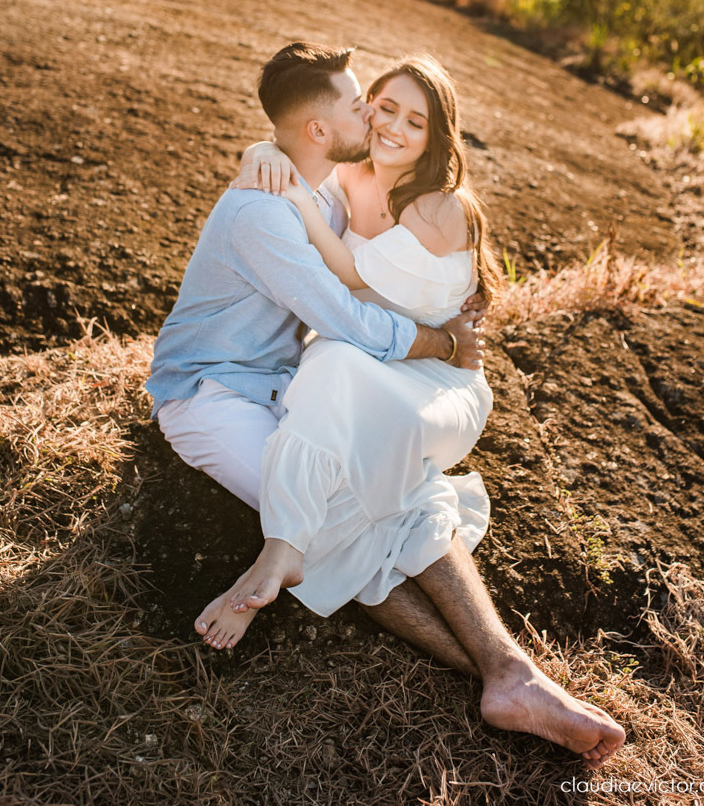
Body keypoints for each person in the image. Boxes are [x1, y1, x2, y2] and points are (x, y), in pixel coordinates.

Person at [147, 41, 625, 768]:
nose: (368, 112)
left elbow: (316, 193)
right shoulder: (267, 216)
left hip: (283, 385)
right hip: (211, 396)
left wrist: (260, 149)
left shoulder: (328, 190)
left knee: (385, 481)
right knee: (340, 512)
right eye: (356, 102)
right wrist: (437, 341)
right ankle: (502, 675)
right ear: (317, 128)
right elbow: (345, 319)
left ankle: (511, 674)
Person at [199, 53, 500, 631]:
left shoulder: (441, 206)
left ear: (437, 136)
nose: (394, 128)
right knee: (329, 371)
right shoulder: (352, 174)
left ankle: (284, 548)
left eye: (417, 122)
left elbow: (351, 273)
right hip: (374, 360)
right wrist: (262, 153)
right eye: (385, 109)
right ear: (366, 111)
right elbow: (301, 145)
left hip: (439, 377)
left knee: (330, 359)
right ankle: (288, 548)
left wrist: (296, 200)